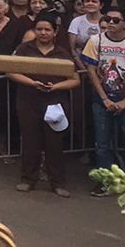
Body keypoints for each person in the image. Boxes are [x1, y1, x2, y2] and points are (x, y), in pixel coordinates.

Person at [83, 4, 125, 193]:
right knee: (102, 144)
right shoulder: (95, 41)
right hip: (102, 99)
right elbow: (91, 70)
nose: (110, 23)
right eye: (107, 19)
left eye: (116, 20)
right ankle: (106, 181)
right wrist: (104, 97)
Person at [9, 15, 79, 196]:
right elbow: (11, 71)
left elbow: (75, 80)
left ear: (55, 32)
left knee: (54, 143)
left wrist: (55, 87)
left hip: (55, 103)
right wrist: (32, 83)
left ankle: (57, 182)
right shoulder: (24, 49)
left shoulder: (63, 53)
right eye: (39, 29)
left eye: (47, 29)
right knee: (30, 141)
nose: (43, 33)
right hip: (28, 101)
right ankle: (28, 179)